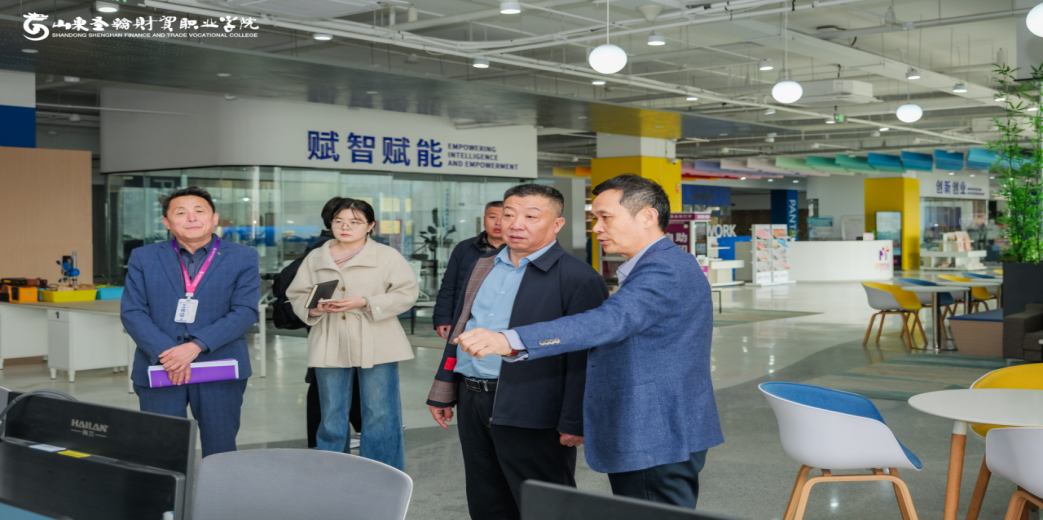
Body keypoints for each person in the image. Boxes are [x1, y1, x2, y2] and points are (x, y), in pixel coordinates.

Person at [457, 174, 724, 509]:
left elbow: (609, 320)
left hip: (655, 429)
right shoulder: (659, 264)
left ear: (647, 216)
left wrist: (511, 339)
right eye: (594, 218)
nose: (597, 228)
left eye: (605, 217)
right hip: (657, 425)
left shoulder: (663, 269)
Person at [427, 184, 608, 520]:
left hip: (534, 404)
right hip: (472, 398)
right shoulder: (482, 266)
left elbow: (587, 357)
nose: (514, 224)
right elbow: (461, 328)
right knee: (486, 496)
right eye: (508, 215)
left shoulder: (578, 277)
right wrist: (444, 388)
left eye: (530, 216)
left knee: (544, 502)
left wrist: (575, 419)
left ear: (557, 224)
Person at [121, 186, 260, 457]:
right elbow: (133, 312)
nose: (192, 218)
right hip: (161, 365)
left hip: (218, 366)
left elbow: (244, 311)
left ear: (214, 218)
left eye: (199, 211)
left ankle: (218, 488)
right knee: (162, 450)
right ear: (167, 222)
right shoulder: (144, 257)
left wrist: (194, 347)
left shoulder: (243, 256)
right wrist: (169, 355)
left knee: (220, 450)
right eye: (181, 212)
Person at [287, 197, 418, 470]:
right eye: (339, 221)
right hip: (330, 337)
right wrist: (315, 308)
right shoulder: (317, 257)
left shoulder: (387, 256)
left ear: (370, 225)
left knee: (380, 410)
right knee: (331, 410)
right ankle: (332, 469)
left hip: (377, 338)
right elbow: (297, 294)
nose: (345, 227)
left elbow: (407, 293)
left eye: (355, 222)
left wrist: (366, 302)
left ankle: (384, 470)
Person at [433, 201, 505, 340]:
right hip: (466, 318)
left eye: (504, 217)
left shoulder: (521, 250)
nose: (498, 223)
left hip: (504, 319)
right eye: (492, 217)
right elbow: (449, 285)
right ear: (484, 219)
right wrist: (443, 318)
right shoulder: (464, 248)